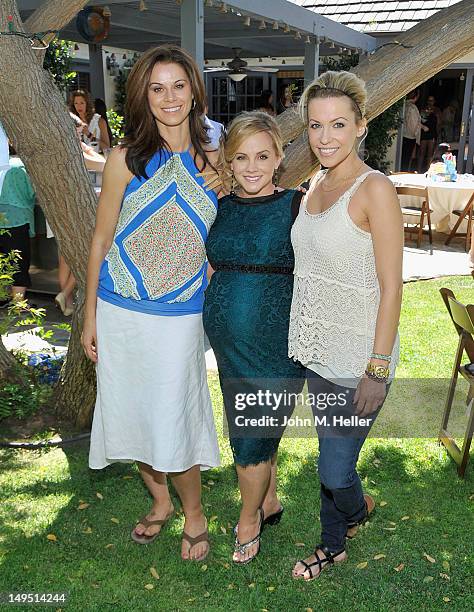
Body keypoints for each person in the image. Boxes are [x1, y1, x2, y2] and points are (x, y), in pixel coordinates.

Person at [82, 45, 220, 562]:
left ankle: (195, 513)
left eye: (178, 85)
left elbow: (227, 233)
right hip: (120, 309)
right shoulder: (124, 160)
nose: (168, 98)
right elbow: (99, 240)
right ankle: (160, 501)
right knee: (134, 414)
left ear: (193, 91)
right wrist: (90, 316)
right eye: (156, 88)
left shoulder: (216, 163)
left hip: (181, 315)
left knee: (174, 416)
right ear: (143, 95)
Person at [289, 70, 403, 580]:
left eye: (338, 124)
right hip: (317, 349)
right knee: (329, 455)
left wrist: (376, 369)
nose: (325, 137)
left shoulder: (374, 188)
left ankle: (356, 509)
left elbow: (392, 285)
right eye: (315, 126)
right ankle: (333, 543)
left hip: (360, 358)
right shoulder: (315, 182)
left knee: (335, 467)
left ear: (361, 125)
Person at [203, 112, 305, 564]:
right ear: (228, 160)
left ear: (279, 158)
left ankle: (248, 519)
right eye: (241, 157)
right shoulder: (219, 207)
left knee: (249, 438)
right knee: (257, 428)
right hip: (228, 347)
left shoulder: (298, 207)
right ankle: (269, 500)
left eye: (262, 156)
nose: (251, 167)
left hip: (277, 344)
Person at [0, 122, 36, 304]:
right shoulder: (21, 165)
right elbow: (31, 193)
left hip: (1, 218)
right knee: (19, 262)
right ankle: (18, 303)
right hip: (18, 219)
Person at [401, 89, 426, 171]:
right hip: (409, 136)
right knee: (406, 159)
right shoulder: (412, 107)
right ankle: (403, 174)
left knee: (404, 158)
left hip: (404, 134)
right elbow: (413, 124)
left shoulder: (405, 105)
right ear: (416, 96)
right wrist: (416, 134)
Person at [418, 96, 438, 173]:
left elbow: (439, 123)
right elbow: (419, 120)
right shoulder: (423, 110)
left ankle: (428, 171)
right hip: (424, 133)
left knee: (430, 154)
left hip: (432, 134)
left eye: (432, 101)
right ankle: (419, 171)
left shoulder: (437, 111)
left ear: (434, 101)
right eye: (429, 100)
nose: (430, 102)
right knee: (421, 153)